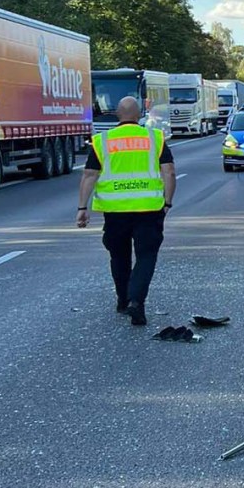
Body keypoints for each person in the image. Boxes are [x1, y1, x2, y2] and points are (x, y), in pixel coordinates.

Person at [75, 97, 176, 325]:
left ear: (117, 115)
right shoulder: (154, 138)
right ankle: (136, 301)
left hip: (115, 211)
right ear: (140, 114)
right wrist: (167, 202)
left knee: (119, 256)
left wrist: (82, 208)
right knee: (146, 256)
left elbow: (89, 175)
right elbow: (168, 172)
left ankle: (123, 300)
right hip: (149, 209)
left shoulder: (103, 141)